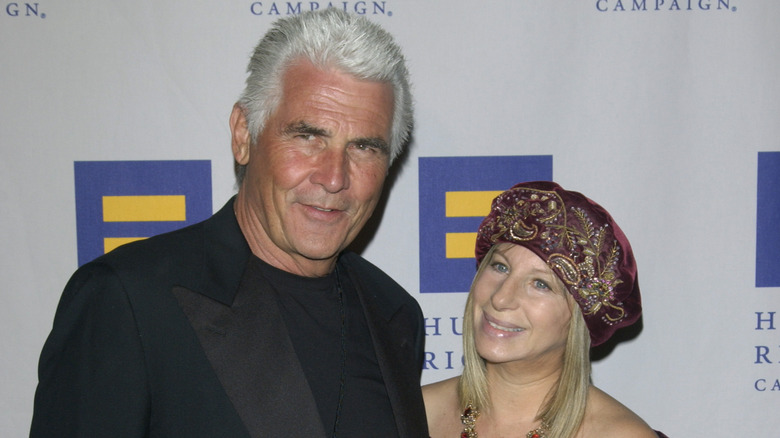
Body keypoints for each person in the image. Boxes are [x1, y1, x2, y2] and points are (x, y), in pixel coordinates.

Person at [30, 9, 428, 438]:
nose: (334, 177)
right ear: (243, 135)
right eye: (308, 136)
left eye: (365, 147)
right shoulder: (128, 300)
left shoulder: (395, 314)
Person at [422, 181, 667, 438]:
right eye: (500, 267)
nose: (501, 298)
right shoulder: (412, 413)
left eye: (540, 284)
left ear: (581, 316)